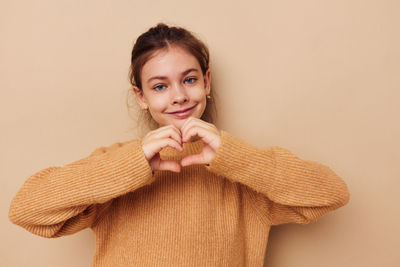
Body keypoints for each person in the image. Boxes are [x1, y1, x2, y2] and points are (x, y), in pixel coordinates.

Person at [9, 23, 350, 266]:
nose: (179, 96)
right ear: (141, 97)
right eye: (160, 86)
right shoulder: (113, 165)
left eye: (189, 80)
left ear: (206, 81)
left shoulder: (243, 169)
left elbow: (331, 193)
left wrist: (237, 158)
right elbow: (26, 211)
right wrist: (133, 163)